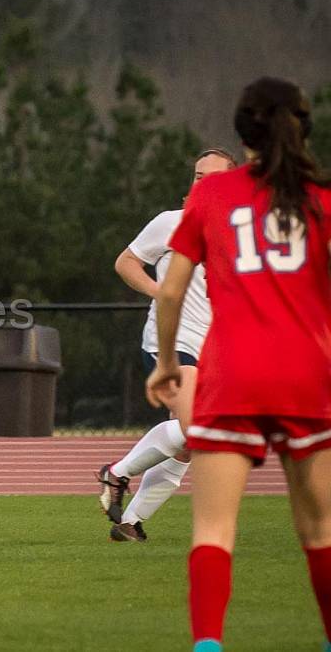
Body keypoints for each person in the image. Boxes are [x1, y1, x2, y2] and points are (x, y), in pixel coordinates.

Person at [146, 77, 331, 652]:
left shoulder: (212, 196)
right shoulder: (322, 197)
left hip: (233, 375)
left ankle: (208, 645)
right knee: (320, 530)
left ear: (242, 130)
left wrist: (167, 364)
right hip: (307, 376)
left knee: (213, 529)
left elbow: (172, 292)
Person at [97, 148, 237, 542]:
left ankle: (131, 520)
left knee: (193, 443)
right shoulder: (171, 223)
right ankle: (118, 472)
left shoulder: (242, 232)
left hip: (218, 351)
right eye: (197, 176)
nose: (202, 184)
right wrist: (163, 293)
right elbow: (126, 262)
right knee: (197, 433)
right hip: (172, 344)